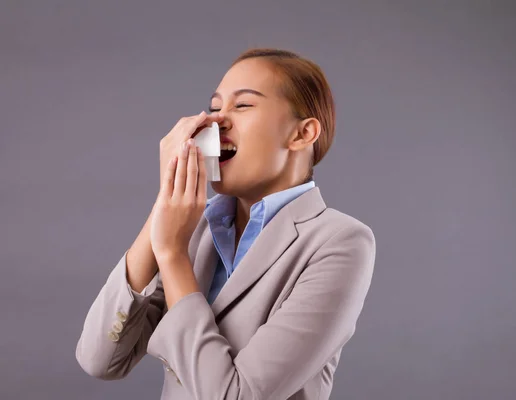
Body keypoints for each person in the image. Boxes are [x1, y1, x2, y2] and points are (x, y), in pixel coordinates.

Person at [75, 48, 376, 400]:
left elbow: (236, 395)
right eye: (216, 107)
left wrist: (172, 255)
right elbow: (101, 360)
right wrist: (165, 204)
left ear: (302, 134)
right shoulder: (197, 228)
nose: (218, 122)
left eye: (243, 105)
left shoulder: (340, 242)